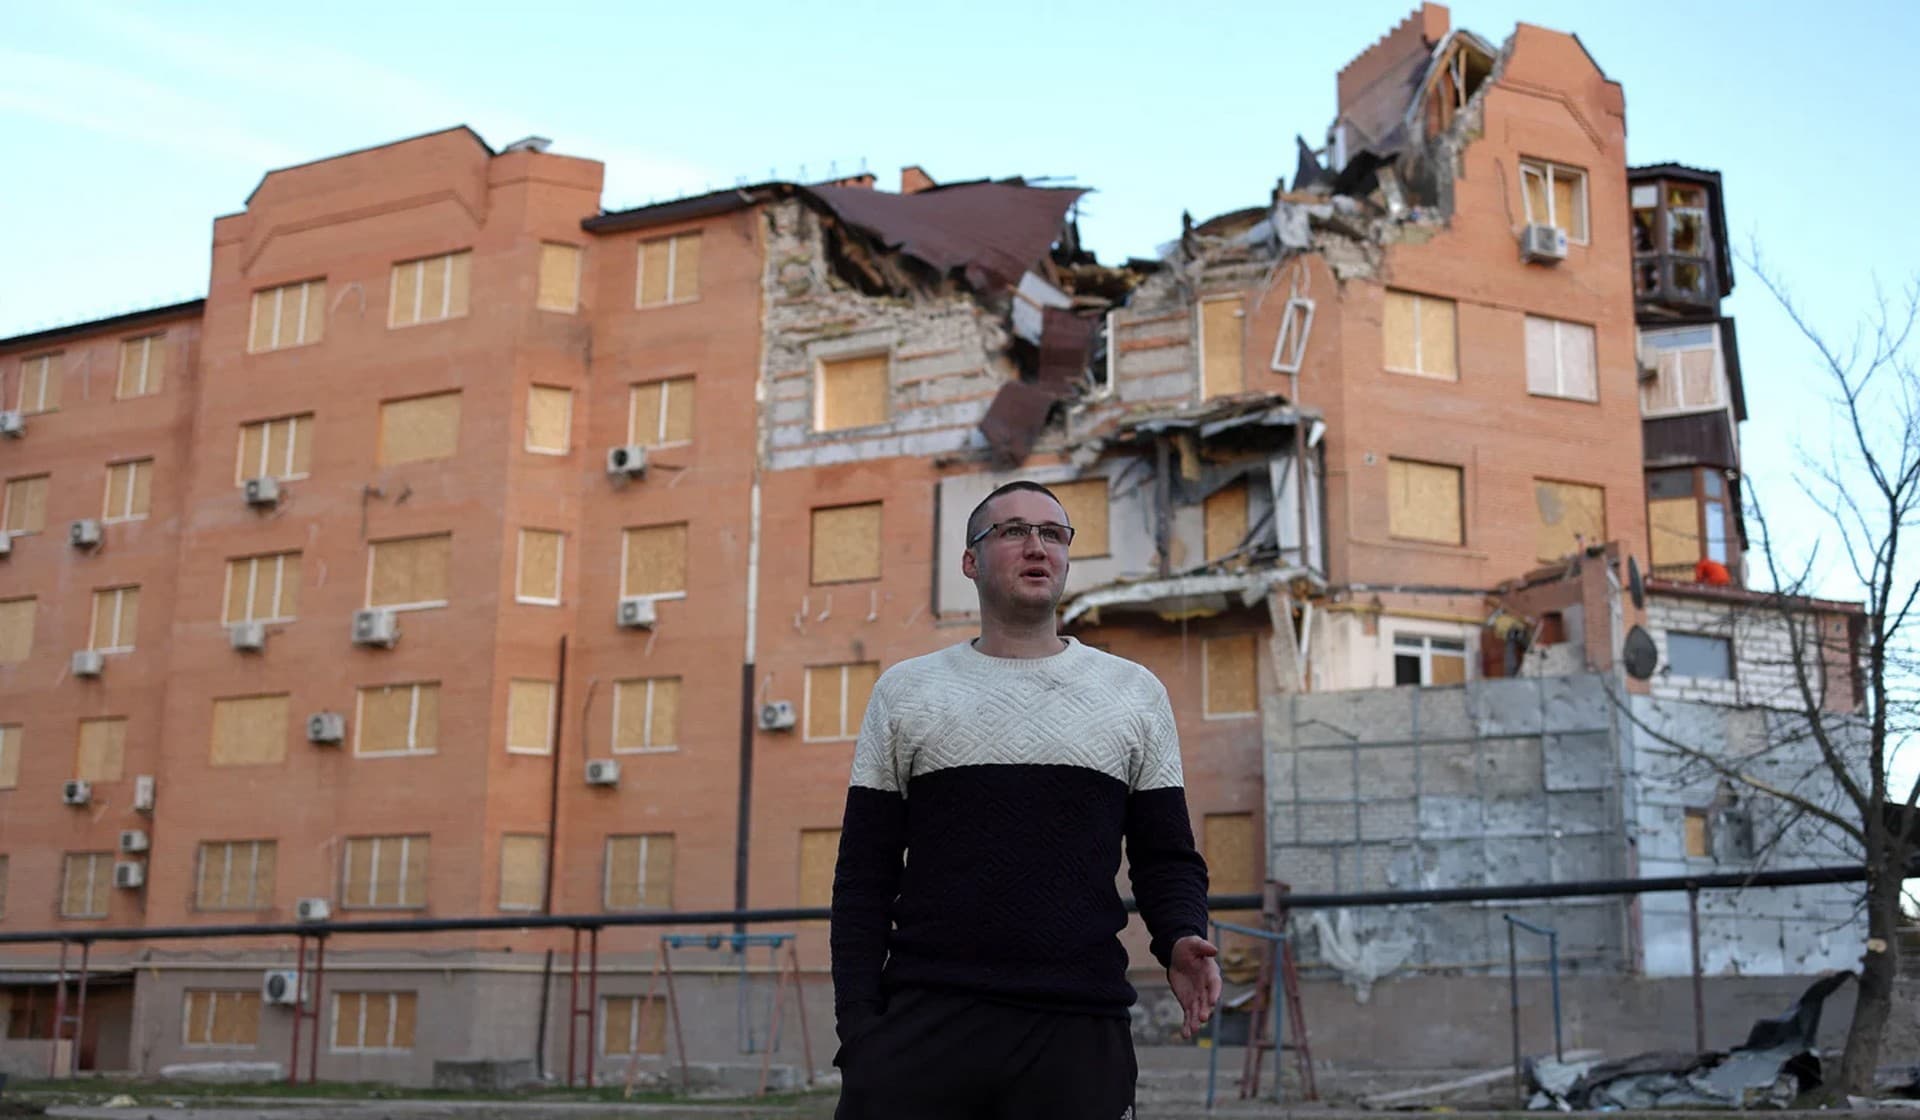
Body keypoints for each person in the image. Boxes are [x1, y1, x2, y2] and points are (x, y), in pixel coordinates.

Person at [829, 480, 1222, 1120]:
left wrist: (1179, 937)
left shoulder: (1133, 693)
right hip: (926, 1023)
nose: (1036, 546)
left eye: (1053, 533)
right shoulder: (906, 692)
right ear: (970, 561)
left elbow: (1166, 856)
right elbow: (863, 878)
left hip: (1078, 1027)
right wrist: (860, 1030)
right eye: (1012, 531)